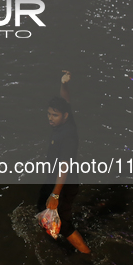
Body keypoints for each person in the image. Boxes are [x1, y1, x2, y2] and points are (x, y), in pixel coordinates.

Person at [37, 70, 91, 254]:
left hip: (64, 185)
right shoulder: (66, 121)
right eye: (49, 114)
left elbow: (64, 166)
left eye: (55, 115)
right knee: (41, 207)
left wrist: (56, 195)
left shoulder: (68, 135)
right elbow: (65, 100)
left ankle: (87, 254)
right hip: (54, 180)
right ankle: (49, 234)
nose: (50, 118)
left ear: (65, 116)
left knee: (65, 224)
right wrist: (64, 83)